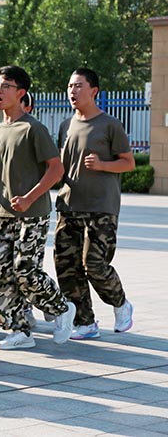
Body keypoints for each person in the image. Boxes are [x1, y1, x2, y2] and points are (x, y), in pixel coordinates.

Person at [0, 65, 76, 350]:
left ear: (21, 93)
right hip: (2, 213)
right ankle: (19, 331)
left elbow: (56, 169)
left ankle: (62, 308)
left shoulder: (33, 128)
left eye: (5, 86)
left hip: (32, 214)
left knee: (25, 270)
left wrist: (29, 197)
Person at [55, 68, 135, 339]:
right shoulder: (66, 125)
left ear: (94, 91)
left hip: (101, 207)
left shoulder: (110, 125)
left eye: (78, 86)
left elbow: (128, 162)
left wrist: (102, 165)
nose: (72, 91)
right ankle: (85, 322)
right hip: (68, 205)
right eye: (70, 86)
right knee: (67, 267)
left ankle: (121, 303)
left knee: (94, 265)